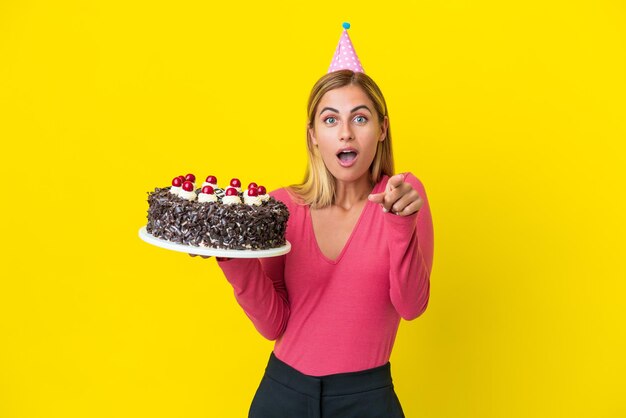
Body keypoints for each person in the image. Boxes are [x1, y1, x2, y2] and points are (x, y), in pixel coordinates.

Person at [198, 24, 434, 418]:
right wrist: (231, 257)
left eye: (360, 119)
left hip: (367, 399)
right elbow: (274, 325)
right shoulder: (280, 207)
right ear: (312, 136)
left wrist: (399, 226)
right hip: (282, 394)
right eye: (330, 120)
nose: (345, 133)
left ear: (381, 129)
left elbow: (411, 306)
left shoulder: (403, 195)